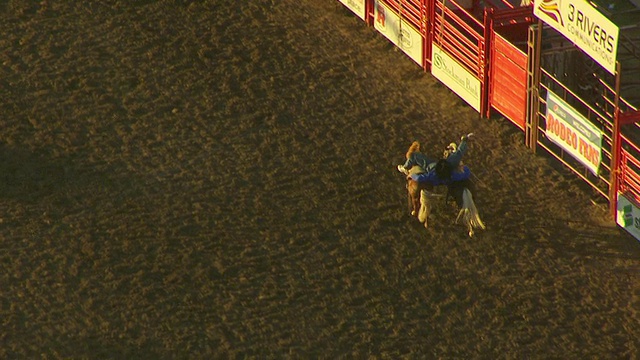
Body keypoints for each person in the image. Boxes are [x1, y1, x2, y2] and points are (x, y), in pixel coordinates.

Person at [397, 133, 474, 186]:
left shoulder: (434, 174)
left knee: (415, 155)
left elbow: (419, 178)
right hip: (448, 173)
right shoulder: (453, 174)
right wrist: (465, 139)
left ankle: (405, 167)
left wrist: (411, 175)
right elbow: (460, 152)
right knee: (456, 155)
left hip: (433, 167)